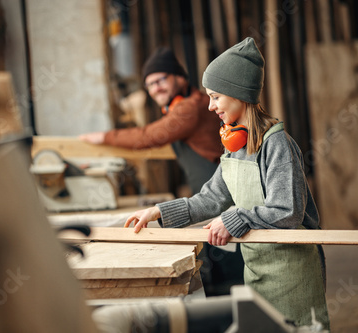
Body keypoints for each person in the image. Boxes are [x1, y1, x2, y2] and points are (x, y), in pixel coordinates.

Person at [124, 37, 330, 329]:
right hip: (257, 267)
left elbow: (288, 210)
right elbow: (211, 198)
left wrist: (234, 218)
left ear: (238, 94)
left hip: (291, 270)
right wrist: (158, 212)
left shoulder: (277, 145)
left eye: (216, 97)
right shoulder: (234, 146)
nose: (210, 107)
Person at [79, 47, 222, 194]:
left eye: (160, 80)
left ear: (179, 77)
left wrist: (104, 137)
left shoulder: (190, 108)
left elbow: (147, 136)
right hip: (212, 189)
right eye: (150, 85)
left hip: (219, 191)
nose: (156, 89)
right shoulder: (189, 102)